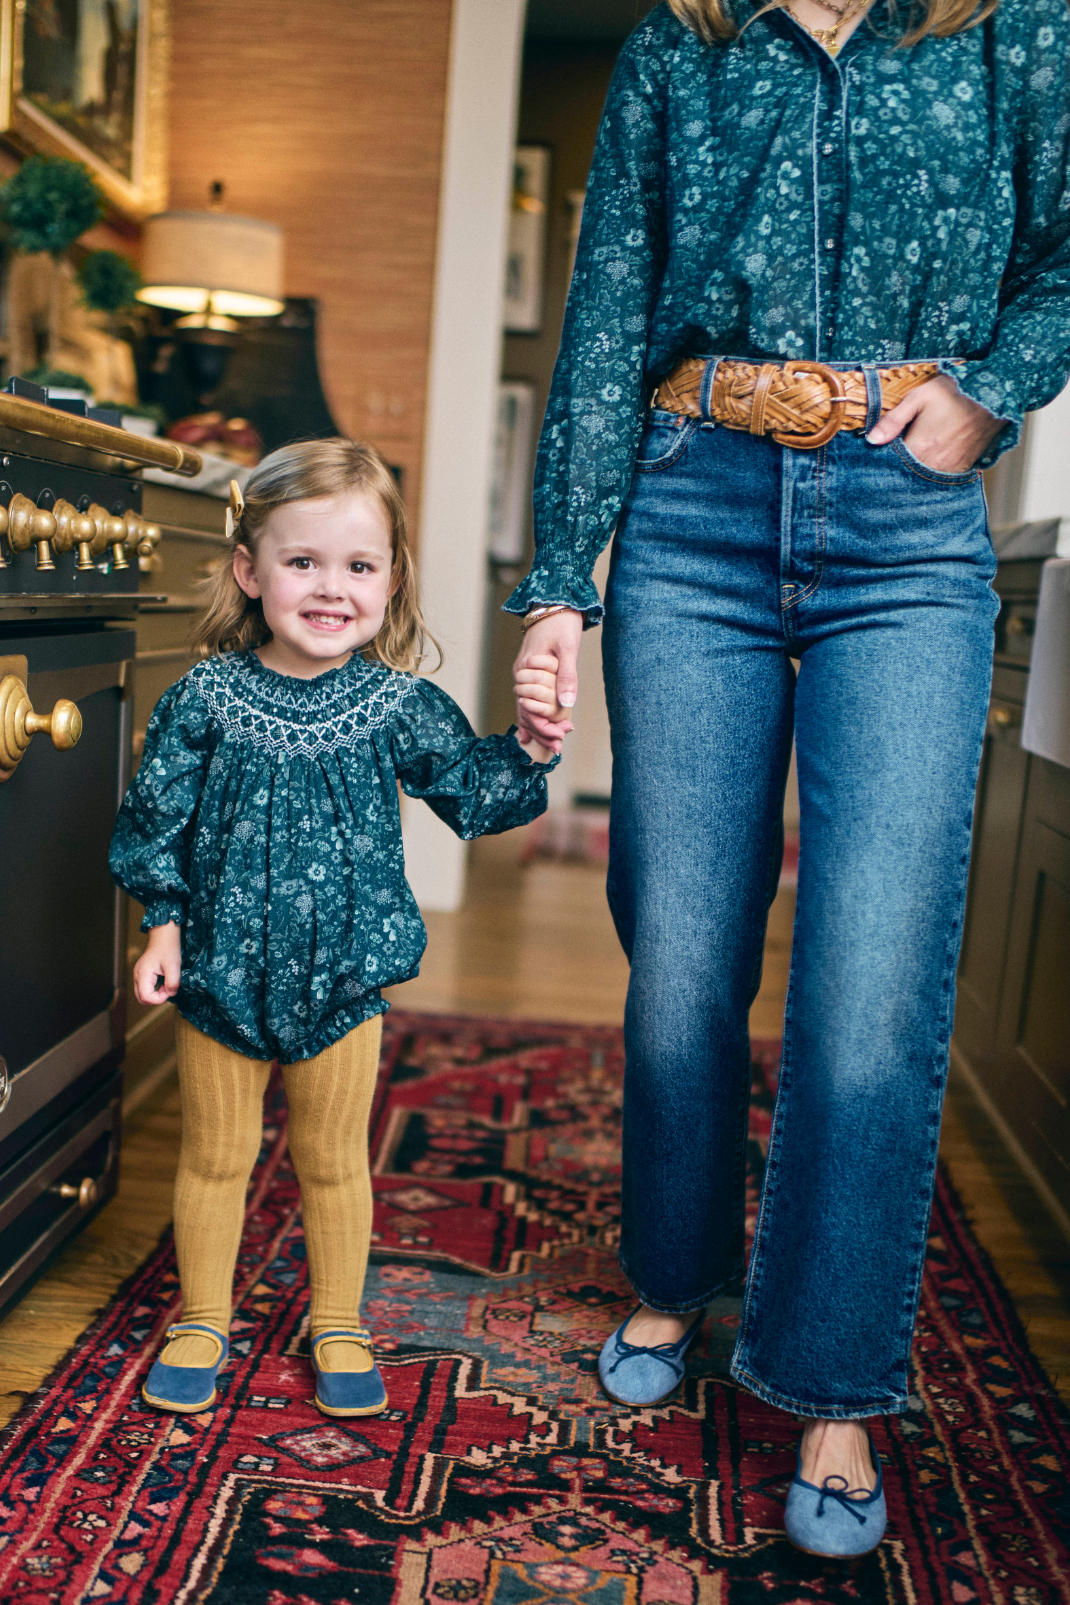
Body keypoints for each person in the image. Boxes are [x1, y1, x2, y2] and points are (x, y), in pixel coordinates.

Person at [510, 0, 1070, 1559]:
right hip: (690, 516)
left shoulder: (1012, 31)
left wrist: (989, 390)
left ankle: (829, 1382)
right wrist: (557, 584)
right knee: (680, 955)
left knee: (870, 976)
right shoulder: (677, 46)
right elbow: (608, 313)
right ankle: (671, 1279)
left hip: (907, 528)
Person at [111, 439, 567, 1420]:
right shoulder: (204, 698)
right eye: (302, 562)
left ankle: (338, 1320)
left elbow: (475, 796)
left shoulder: (399, 705)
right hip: (217, 976)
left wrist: (528, 746)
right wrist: (162, 929)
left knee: (333, 1161)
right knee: (213, 1157)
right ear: (249, 569)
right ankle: (201, 1316)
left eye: (358, 566)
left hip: (343, 983)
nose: (331, 588)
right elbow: (157, 822)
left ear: (391, 578)